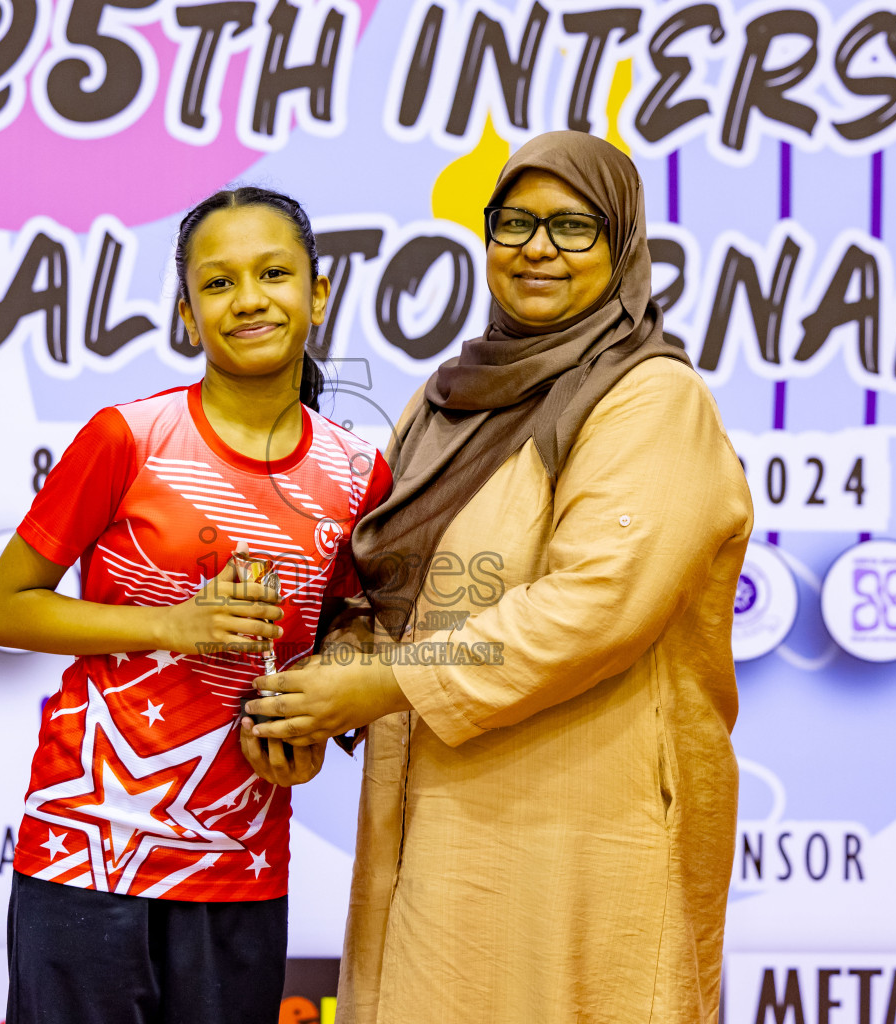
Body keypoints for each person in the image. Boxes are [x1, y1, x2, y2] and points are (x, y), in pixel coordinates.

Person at [244, 132, 755, 1022]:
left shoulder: (650, 397)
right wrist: (312, 696)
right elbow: (379, 584)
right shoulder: (446, 401)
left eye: (572, 226)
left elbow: (597, 604)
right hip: (432, 814)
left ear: (623, 245)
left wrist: (380, 686)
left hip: (583, 819)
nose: (537, 247)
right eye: (514, 222)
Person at [0, 186, 392, 1024]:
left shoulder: (358, 474)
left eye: (274, 273)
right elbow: (4, 608)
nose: (248, 299)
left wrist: (305, 735)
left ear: (318, 294)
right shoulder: (128, 438)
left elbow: (345, 646)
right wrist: (173, 625)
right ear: (186, 314)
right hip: (86, 851)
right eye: (218, 282)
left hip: (240, 860)